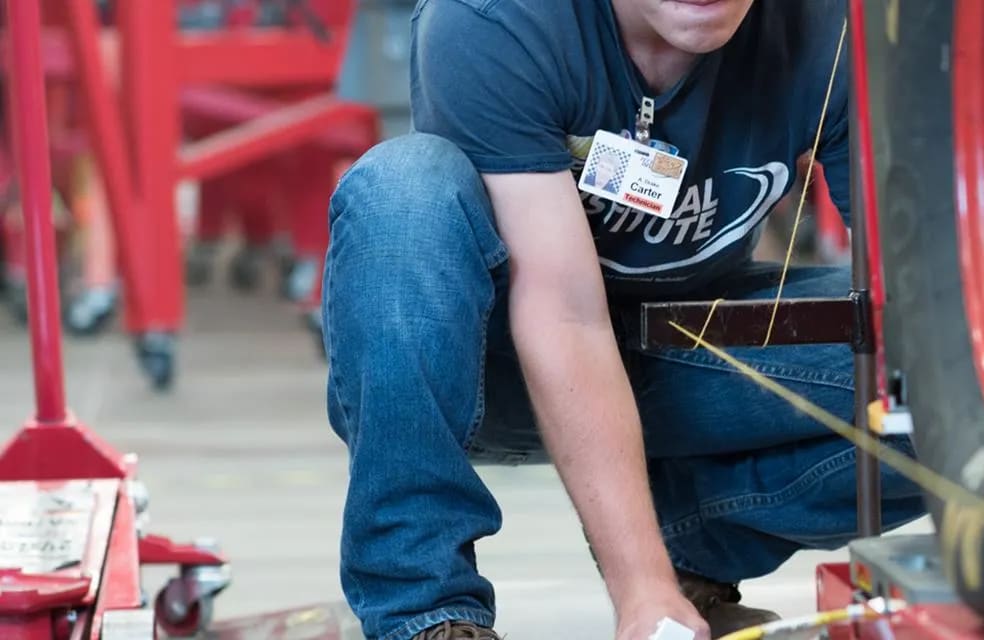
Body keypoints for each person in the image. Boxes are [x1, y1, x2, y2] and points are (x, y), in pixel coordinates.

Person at [320, 1, 924, 638]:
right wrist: (640, 588)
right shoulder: (495, 18)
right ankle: (426, 611)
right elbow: (564, 315)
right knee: (402, 190)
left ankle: (696, 546)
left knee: (982, 374)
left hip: (683, 355)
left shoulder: (833, 25)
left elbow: (918, 286)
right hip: (482, 365)